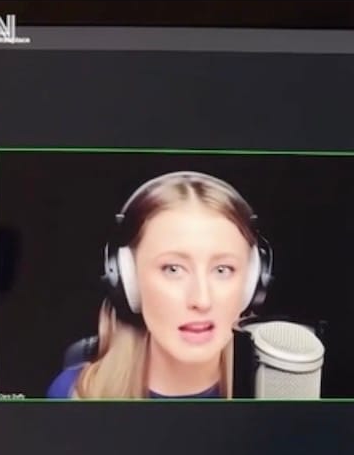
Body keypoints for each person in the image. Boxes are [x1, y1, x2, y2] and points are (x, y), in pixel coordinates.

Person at [47, 171, 272, 399]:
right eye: (173, 269)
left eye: (222, 270)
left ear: (251, 282)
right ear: (128, 280)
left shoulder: (283, 393)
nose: (201, 300)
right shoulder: (74, 394)